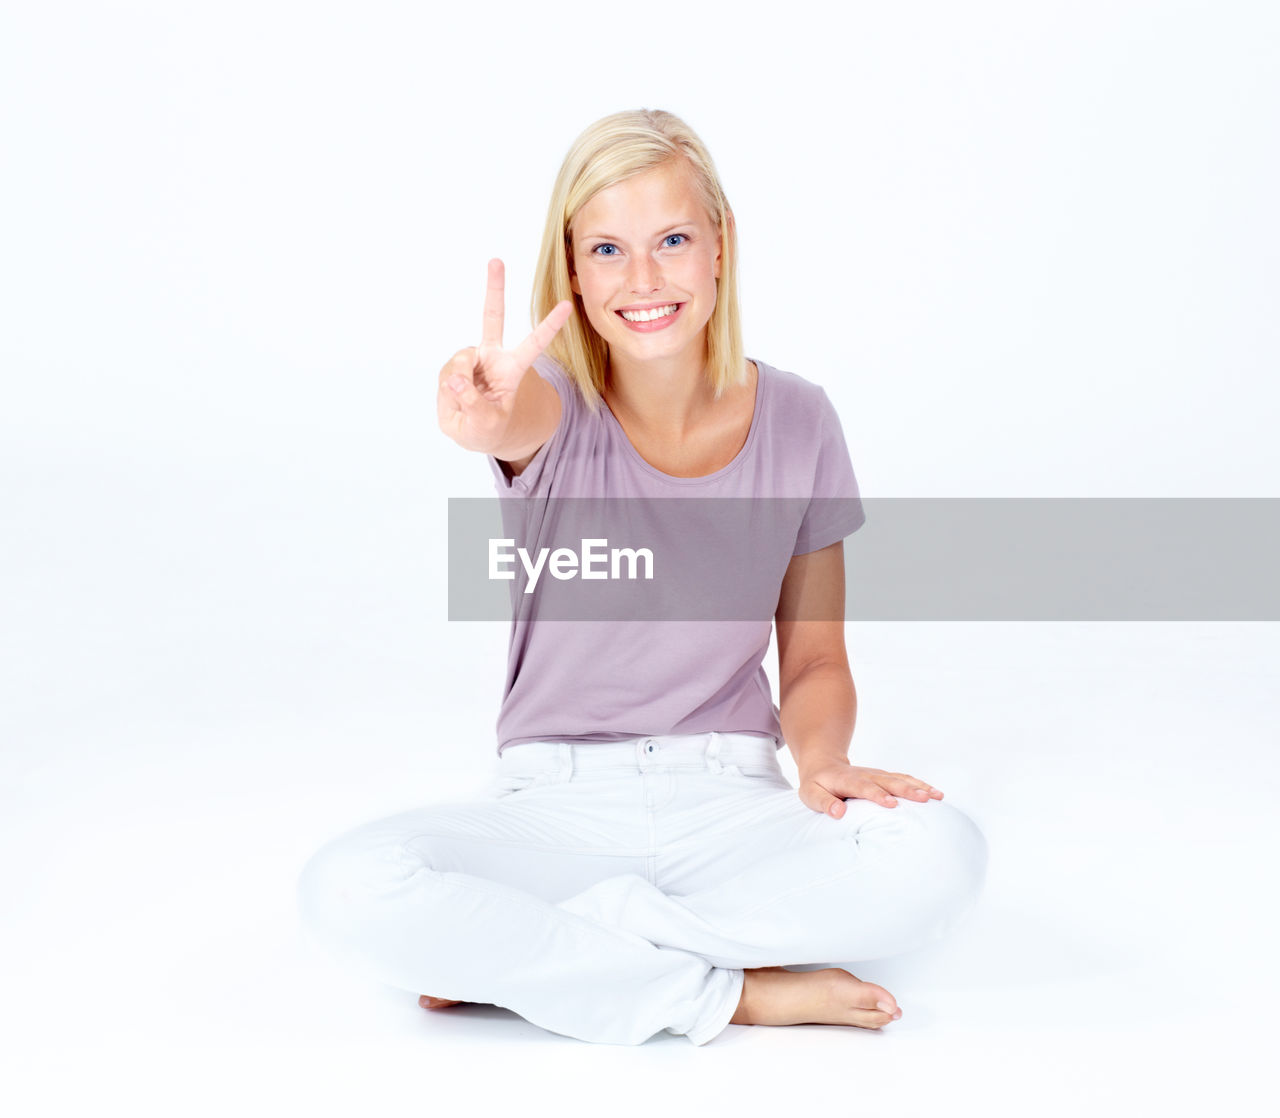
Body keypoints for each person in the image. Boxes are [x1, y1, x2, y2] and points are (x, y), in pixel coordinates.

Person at [295, 108, 987, 1046]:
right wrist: (482, 417)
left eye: (671, 240)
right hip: (553, 804)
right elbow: (509, 422)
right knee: (350, 885)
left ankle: (558, 961)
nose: (645, 279)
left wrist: (823, 764)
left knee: (942, 855)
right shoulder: (555, 412)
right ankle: (732, 991)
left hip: (730, 801)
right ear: (573, 273)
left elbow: (816, 658)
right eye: (609, 250)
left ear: (719, 248)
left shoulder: (801, 419)